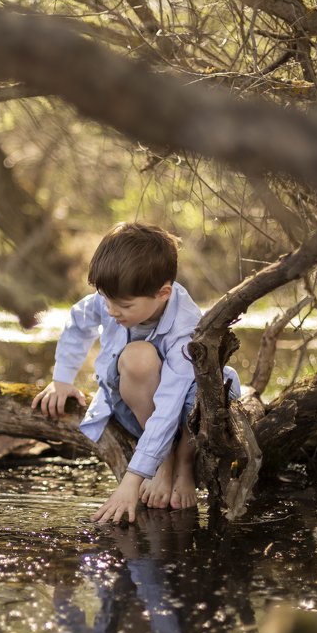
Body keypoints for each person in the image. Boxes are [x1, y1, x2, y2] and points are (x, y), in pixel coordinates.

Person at [31, 222, 239, 523]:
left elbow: (170, 405)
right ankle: (163, 461)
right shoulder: (113, 298)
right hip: (133, 407)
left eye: (124, 305)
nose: (111, 311)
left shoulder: (186, 326)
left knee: (222, 382)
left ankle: (182, 462)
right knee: (137, 357)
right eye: (105, 299)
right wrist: (61, 380)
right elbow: (78, 321)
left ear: (163, 293)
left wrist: (132, 481)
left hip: (184, 414)